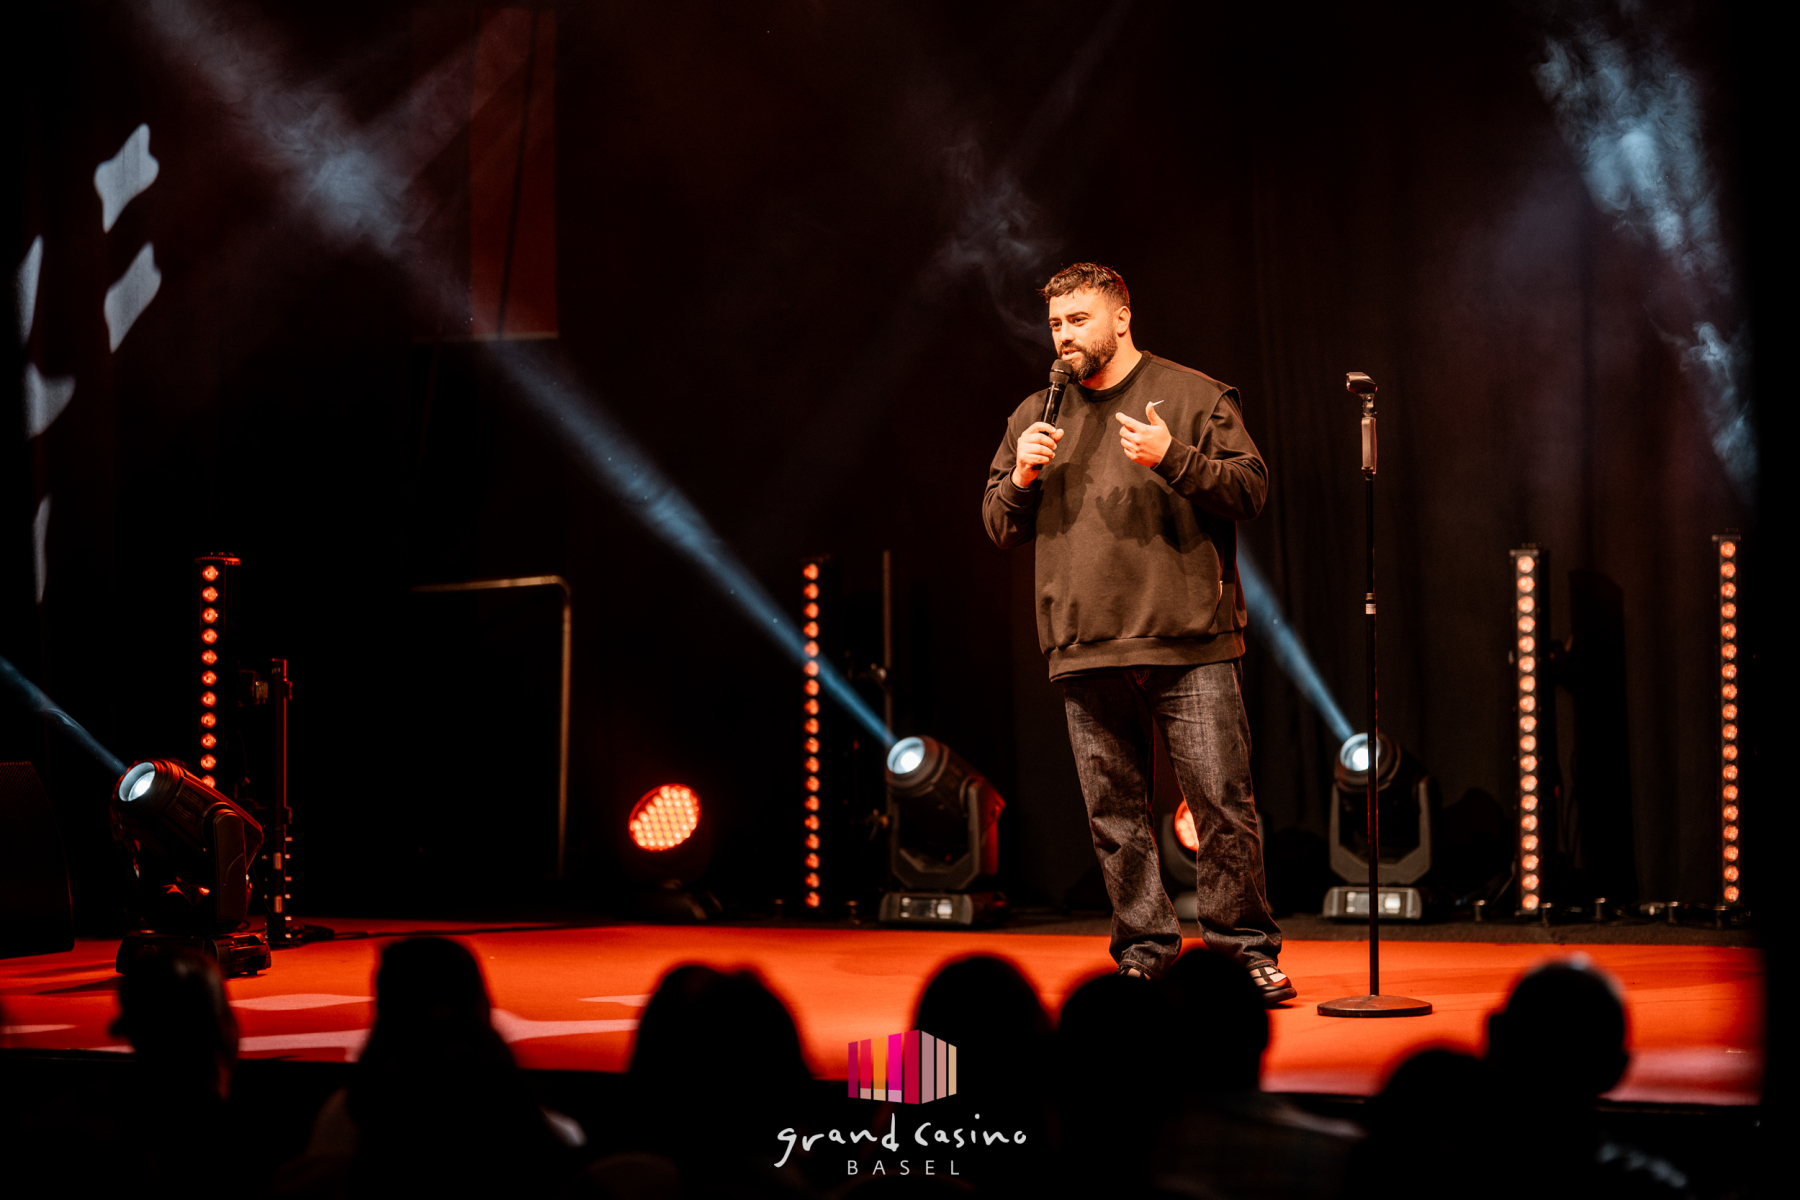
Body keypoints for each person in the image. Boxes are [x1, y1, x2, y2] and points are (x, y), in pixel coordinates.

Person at [982, 262, 1291, 1002]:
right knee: (1114, 816)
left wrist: (1173, 458)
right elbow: (998, 524)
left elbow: (1251, 488)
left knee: (1222, 806)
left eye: (1079, 319)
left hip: (1189, 641)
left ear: (1121, 317)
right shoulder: (1034, 416)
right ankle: (1145, 949)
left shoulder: (1192, 395)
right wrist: (1020, 479)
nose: (1065, 336)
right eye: (1056, 324)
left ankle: (1243, 952)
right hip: (1085, 645)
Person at [1149, 948, 1358, 1199]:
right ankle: (1145, 954)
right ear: (1266, 1033)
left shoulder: (1136, 1154)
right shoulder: (1341, 1155)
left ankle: (1250, 952)